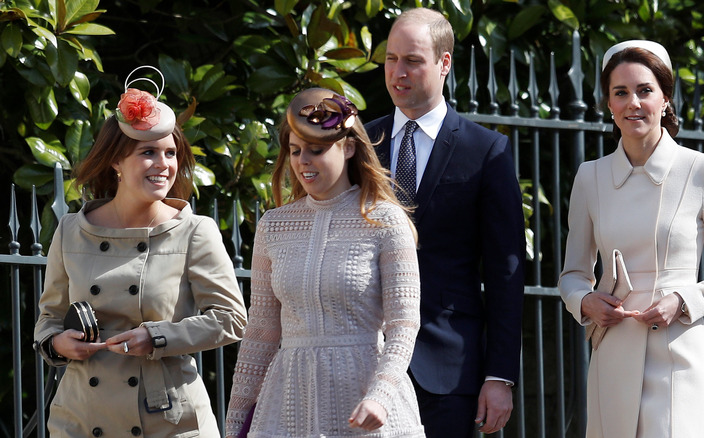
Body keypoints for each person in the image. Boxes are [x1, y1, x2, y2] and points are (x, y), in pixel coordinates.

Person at [33, 66, 248, 437]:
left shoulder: (195, 230)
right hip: (81, 417)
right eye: (148, 152)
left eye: (170, 153)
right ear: (116, 160)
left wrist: (157, 337)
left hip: (167, 420)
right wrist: (57, 343)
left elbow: (232, 319)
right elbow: (48, 318)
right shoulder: (72, 229)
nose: (163, 165)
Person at [559, 40, 704, 437]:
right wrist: (585, 301)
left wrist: (683, 301)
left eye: (645, 90)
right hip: (611, 353)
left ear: (666, 98)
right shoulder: (590, 177)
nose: (633, 102)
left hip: (679, 354)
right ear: (609, 105)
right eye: (621, 92)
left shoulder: (702, 170)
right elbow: (572, 274)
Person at [225, 88, 425, 438]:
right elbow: (261, 332)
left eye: (316, 150)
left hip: (366, 398)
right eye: (295, 151)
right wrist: (234, 423)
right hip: (288, 403)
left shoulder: (386, 220)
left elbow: (404, 323)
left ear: (348, 147)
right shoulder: (274, 225)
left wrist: (381, 395)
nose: (303, 161)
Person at [364, 8, 526, 437]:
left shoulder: (486, 150)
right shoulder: (359, 144)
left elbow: (505, 272)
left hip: (447, 371)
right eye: (391, 59)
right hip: (363, 360)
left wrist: (500, 375)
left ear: (444, 63)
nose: (398, 72)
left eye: (413, 60)